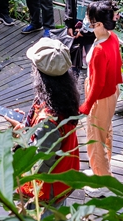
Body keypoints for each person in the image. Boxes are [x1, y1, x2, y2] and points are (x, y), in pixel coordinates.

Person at [6, 38, 81, 204]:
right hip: (63, 177)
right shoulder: (64, 96)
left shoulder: (48, 121)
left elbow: (37, 164)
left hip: (45, 192)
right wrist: (27, 126)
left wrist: (20, 135)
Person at [78, 0, 123, 181]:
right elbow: (118, 63)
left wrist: (87, 105)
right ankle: (104, 166)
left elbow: (98, 83)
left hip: (100, 96)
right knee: (106, 131)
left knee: (95, 137)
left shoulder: (98, 50)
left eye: (90, 19)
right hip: (112, 92)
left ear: (98, 24)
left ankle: (101, 178)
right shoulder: (112, 37)